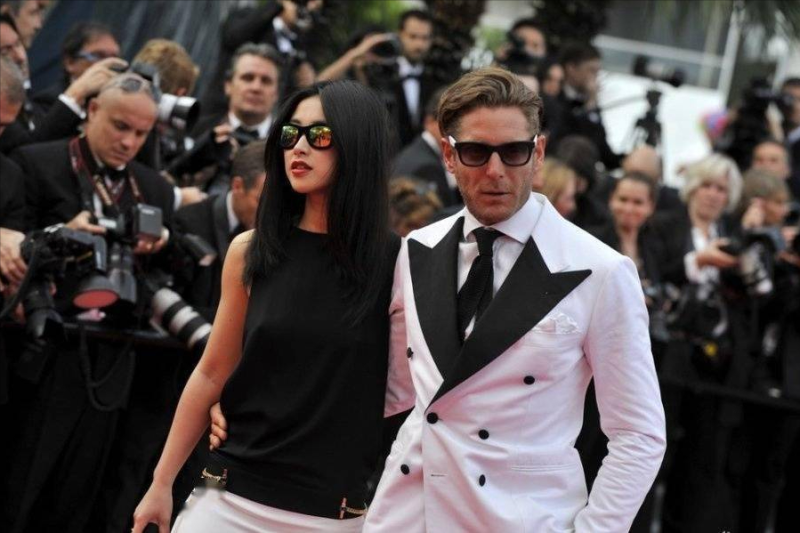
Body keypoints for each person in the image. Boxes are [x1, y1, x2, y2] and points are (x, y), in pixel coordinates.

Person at [362, 66, 665, 532]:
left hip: (520, 518)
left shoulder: (600, 270)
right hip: (407, 514)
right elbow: (395, 390)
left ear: (538, 153)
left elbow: (638, 433)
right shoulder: (418, 248)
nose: (495, 171)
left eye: (514, 152)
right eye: (476, 152)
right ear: (448, 155)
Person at [132, 79, 404, 532]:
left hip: (332, 512)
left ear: (359, 145)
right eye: (290, 134)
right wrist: (161, 483)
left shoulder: (399, 264)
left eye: (320, 135)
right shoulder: (251, 252)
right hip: (227, 497)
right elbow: (212, 372)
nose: (300, 147)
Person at [392, 87, 460, 207]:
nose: (455, 130)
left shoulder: (414, 152)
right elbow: (437, 214)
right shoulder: (426, 168)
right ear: (429, 122)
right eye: (449, 123)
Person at [31, 21, 119, 113]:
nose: (109, 63)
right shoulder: (48, 102)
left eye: (115, 58)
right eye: (98, 56)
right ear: (70, 62)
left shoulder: (116, 103)